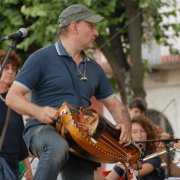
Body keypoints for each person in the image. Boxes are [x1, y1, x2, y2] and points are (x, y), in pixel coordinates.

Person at [6, 4, 132, 180]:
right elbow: (12, 97)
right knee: (57, 146)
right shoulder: (40, 58)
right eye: (91, 26)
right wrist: (39, 111)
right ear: (74, 26)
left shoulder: (95, 68)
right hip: (43, 130)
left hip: (82, 140)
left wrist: (126, 124)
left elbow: (115, 105)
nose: (96, 32)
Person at [0, 50, 33, 180]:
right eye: (6, 67)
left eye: (14, 69)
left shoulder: (15, 100)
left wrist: (28, 168)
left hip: (12, 168)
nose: (10, 71)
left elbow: (19, 137)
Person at [103, 115, 162, 180]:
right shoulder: (126, 156)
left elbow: (138, 172)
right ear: (129, 135)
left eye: (142, 131)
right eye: (134, 132)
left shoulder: (155, 156)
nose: (139, 136)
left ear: (148, 133)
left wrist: (124, 165)